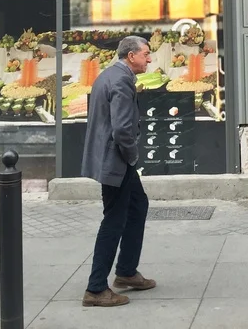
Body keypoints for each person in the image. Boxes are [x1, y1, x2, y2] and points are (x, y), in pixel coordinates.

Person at [82, 35, 156, 307]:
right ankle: (96, 288)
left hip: (113, 159)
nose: (149, 59)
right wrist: (133, 157)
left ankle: (126, 272)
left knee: (138, 205)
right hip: (117, 161)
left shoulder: (110, 75)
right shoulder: (122, 81)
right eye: (145, 54)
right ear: (131, 56)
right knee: (114, 220)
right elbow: (123, 130)